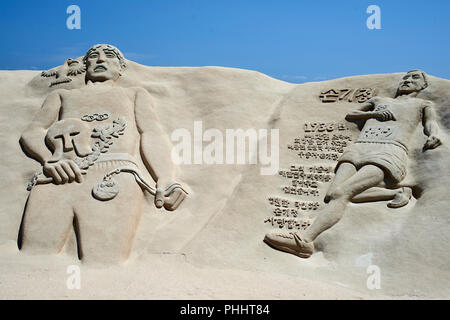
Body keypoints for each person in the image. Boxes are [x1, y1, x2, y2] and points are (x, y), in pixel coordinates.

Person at [19, 44, 186, 263]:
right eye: (93, 58)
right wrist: (49, 160)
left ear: (121, 68)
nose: (100, 60)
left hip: (114, 176)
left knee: (104, 261)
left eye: (109, 56)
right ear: (85, 66)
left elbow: (151, 132)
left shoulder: (134, 94)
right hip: (57, 177)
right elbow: (32, 132)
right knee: (34, 257)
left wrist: (165, 177)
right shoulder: (62, 95)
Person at [264, 70, 442, 258]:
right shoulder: (379, 101)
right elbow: (352, 114)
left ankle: (304, 240)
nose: (407, 80)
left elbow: (430, 123)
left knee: (343, 193)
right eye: (406, 77)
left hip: (389, 149)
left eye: (415, 78)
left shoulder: (422, 104)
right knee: (334, 194)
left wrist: (433, 134)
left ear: (422, 86)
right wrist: (374, 115)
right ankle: (398, 192)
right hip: (359, 147)